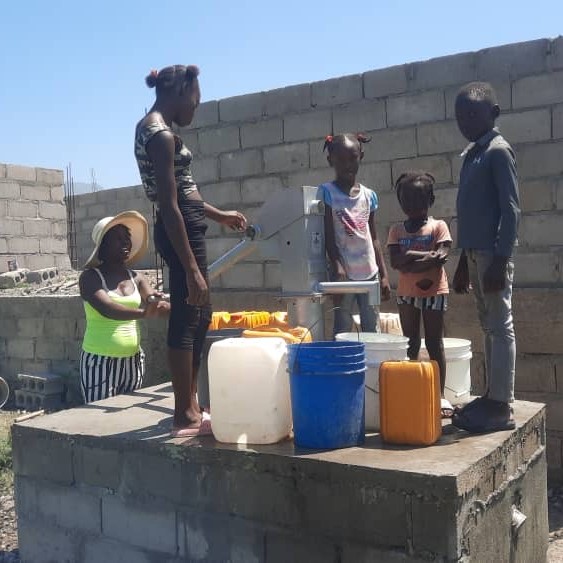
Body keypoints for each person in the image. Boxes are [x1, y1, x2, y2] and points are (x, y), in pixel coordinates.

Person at [134, 65, 247, 437]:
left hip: (188, 223)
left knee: (201, 313)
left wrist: (220, 215)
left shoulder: (157, 129)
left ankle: (192, 401)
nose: (195, 109)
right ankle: (184, 411)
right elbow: (169, 204)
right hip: (179, 229)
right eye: (195, 101)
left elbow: (185, 192)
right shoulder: (160, 134)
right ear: (180, 92)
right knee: (187, 314)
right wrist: (192, 268)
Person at [452, 81, 520, 433]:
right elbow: (471, 213)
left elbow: (511, 212)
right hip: (476, 253)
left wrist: (499, 258)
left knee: (500, 324)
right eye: (460, 116)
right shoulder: (473, 154)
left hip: (493, 255)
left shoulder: (497, 151)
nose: (465, 121)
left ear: (493, 114)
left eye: (473, 114)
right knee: (488, 325)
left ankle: (501, 404)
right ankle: (493, 395)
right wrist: (464, 260)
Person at [79, 211, 170, 403]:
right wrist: (145, 313)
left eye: (126, 238)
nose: (125, 243)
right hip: (100, 361)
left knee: (126, 416)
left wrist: (164, 304)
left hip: (133, 360)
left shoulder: (136, 277)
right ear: (102, 247)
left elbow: (153, 300)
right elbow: (108, 309)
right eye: (117, 239)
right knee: (99, 419)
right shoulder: (90, 278)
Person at [387, 171, 453, 417]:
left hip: (435, 292)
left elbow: (442, 256)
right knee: (410, 342)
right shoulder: (396, 230)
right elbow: (395, 262)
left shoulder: (438, 226)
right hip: (407, 294)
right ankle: (413, 389)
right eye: (407, 201)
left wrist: (410, 259)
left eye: (419, 200)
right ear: (400, 202)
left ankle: (440, 396)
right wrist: (426, 257)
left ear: (431, 200)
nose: (413, 206)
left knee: (435, 343)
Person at [319, 133, 391, 337]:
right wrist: (337, 266)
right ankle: (342, 368)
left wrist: (384, 275)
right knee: (342, 330)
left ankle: (370, 368)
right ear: (330, 160)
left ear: (361, 156)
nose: (347, 164)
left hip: (370, 274)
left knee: (372, 330)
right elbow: (328, 236)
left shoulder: (369, 196)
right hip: (344, 276)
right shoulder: (327, 193)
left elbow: (374, 238)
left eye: (352, 158)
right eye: (341, 160)